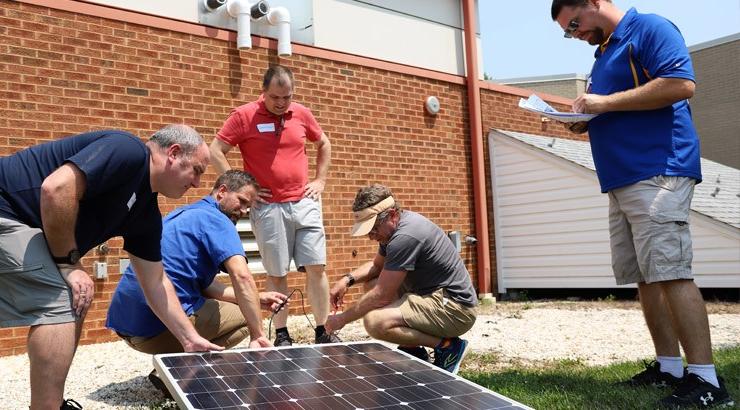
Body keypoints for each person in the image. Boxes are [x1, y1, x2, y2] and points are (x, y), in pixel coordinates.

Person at [551, 1, 733, 408]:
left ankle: (707, 380)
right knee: (647, 277)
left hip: (658, 169)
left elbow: (680, 84)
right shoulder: (604, 54)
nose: (575, 34)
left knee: (671, 271)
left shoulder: (649, 28)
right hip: (622, 177)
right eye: (568, 31)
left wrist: (604, 102)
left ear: (595, 3)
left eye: (575, 24)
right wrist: (583, 118)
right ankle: (669, 367)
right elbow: (618, 105)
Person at [0, 125, 222, 410]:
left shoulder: (145, 213)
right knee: (65, 297)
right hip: (7, 209)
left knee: (76, 298)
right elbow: (56, 188)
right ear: (174, 153)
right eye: (197, 171)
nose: (196, 184)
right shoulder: (127, 150)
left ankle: (51, 402)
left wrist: (189, 339)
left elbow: (155, 282)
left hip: (26, 229)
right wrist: (70, 265)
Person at [106, 170, 287, 393]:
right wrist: (258, 334)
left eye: (249, 206)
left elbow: (206, 286)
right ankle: (177, 370)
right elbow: (241, 276)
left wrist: (256, 298)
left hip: (129, 327)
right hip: (155, 330)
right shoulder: (218, 220)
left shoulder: (187, 214)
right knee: (246, 317)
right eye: (241, 201)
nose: (245, 210)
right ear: (222, 192)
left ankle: (172, 365)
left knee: (246, 306)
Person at [210, 65, 338, 346]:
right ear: (263, 92)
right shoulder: (244, 115)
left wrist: (320, 180)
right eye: (275, 98)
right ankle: (281, 334)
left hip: (305, 202)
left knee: (316, 267)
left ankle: (323, 330)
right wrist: (243, 189)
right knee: (277, 273)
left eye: (286, 97)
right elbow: (216, 149)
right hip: (269, 208)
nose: (281, 104)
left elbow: (324, 143)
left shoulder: (302, 114)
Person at [324, 184, 478, 374]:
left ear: (392, 215)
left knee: (375, 322)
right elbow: (376, 267)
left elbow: (382, 296)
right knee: (371, 284)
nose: (371, 237)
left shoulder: (406, 236)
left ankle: (448, 347)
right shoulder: (391, 234)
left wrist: (341, 319)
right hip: (432, 296)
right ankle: (414, 349)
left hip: (455, 309)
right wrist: (346, 280)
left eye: (373, 229)